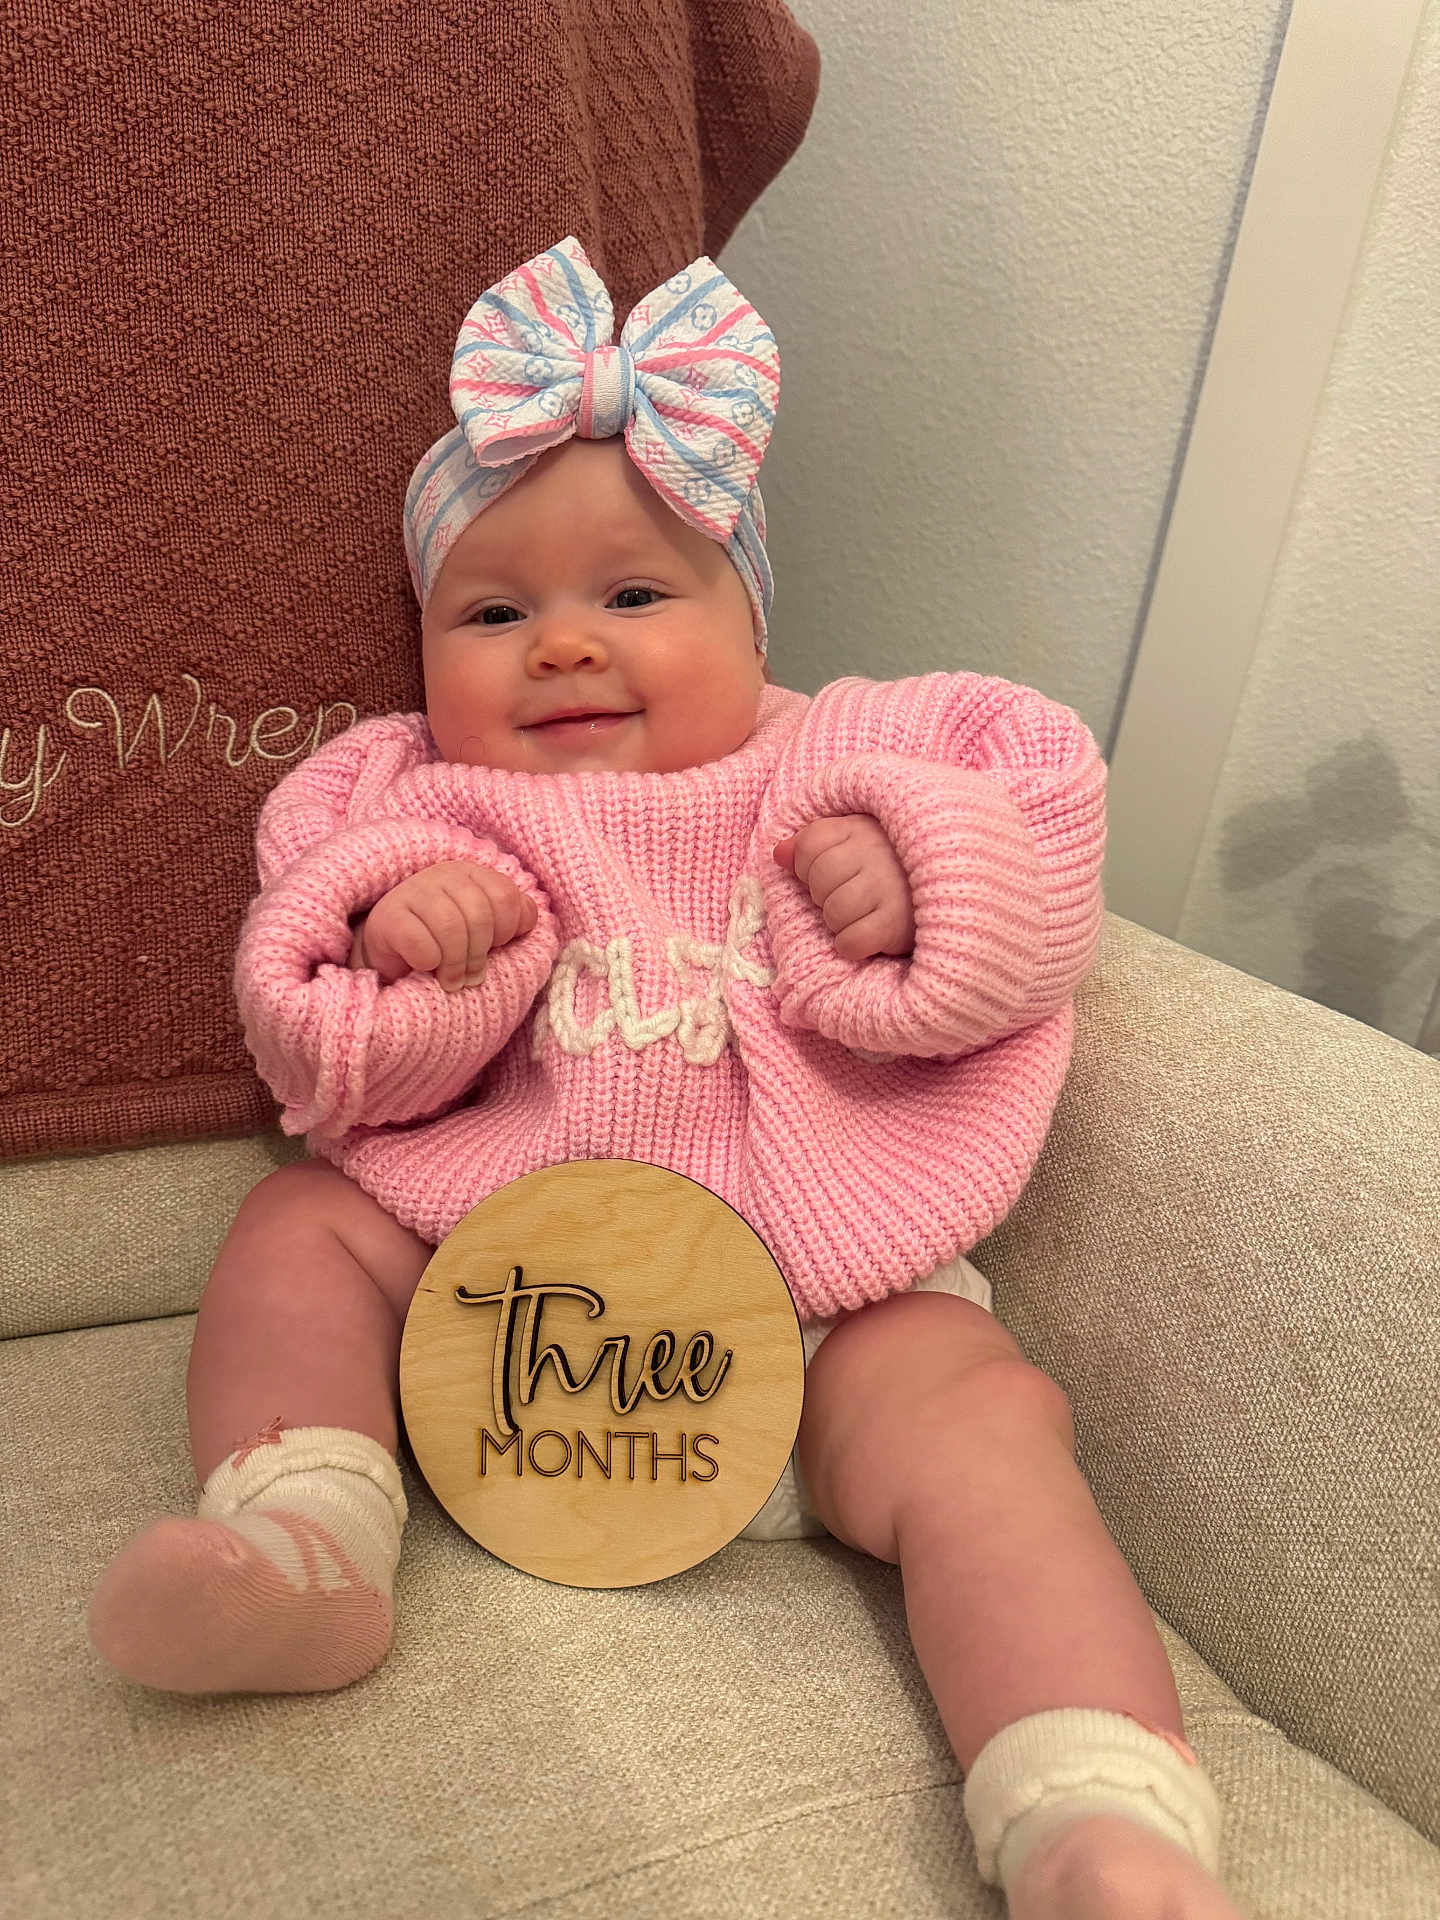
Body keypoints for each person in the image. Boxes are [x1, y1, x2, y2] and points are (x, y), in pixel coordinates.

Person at [89, 239, 1244, 1920]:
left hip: (821, 1316)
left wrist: (921, 880)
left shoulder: (853, 750)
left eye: (633, 595)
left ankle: (1096, 1816)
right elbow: (320, 1062)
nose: (563, 647)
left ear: (751, 619)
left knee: (985, 1415)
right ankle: (308, 1543)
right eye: (493, 612)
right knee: (295, 1231)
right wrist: (416, 962)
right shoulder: (403, 803)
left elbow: (1045, 840)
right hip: (496, 1328)